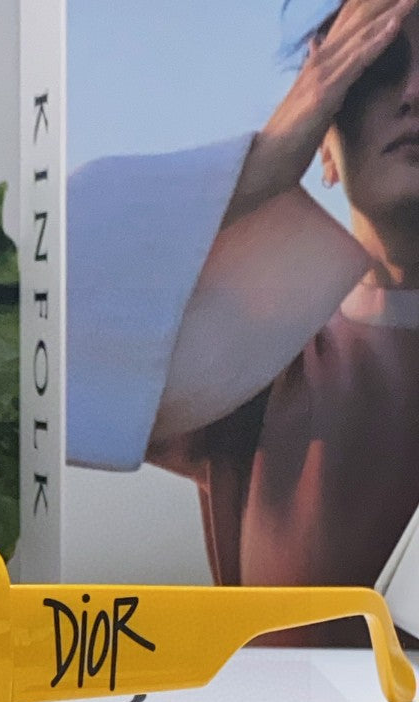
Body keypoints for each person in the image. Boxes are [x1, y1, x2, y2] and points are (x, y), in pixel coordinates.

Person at [68, 0, 419, 644]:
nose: (416, 92)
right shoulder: (262, 357)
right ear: (325, 142)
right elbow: (15, 341)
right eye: (373, 64)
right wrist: (260, 165)